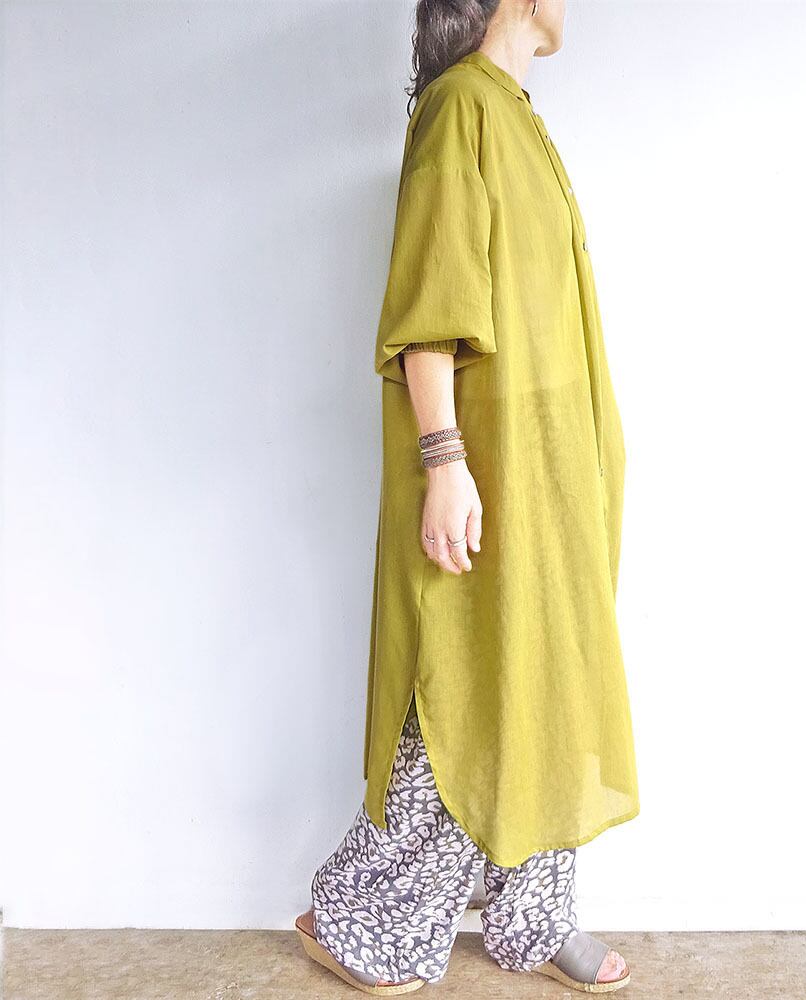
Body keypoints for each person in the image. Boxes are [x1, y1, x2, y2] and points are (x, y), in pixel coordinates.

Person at [296, 0, 639, 993]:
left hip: (553, 473)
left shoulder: (518, 116)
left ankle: (533, 917)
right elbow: (429, 311)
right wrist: (444, 461)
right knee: (461, 682)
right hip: (492, 468)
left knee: (546, 684)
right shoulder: (461, 110)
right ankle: (360, 918)